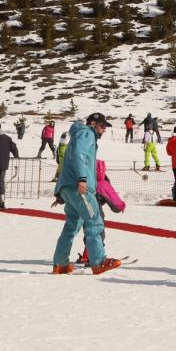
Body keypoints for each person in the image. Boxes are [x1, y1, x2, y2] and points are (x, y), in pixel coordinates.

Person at [51, 113, 122, 275]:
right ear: (92, 123)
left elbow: (67, 160)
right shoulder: (87, 133)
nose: (104, 129)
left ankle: (60, 263)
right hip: (80, 186)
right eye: (102, 125)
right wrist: (82, 178)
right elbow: (79, 154)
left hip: (68, 186)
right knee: (94, 221)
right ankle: (98, 262)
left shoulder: (78, 134)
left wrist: (60, 190)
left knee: (72, 226)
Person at [76, 159, 127, 265]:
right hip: (97, 212)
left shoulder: (84, 181)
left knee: (89, 232)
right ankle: (96, 257)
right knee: (99, 232)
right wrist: (121, 206)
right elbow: (114, 199)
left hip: (84, 209)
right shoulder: (103, 183)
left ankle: (87, 256)